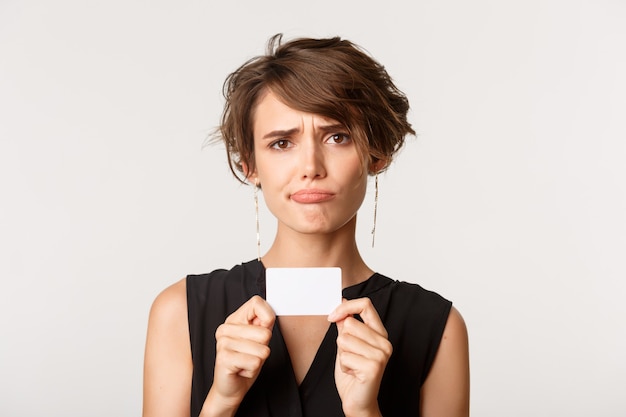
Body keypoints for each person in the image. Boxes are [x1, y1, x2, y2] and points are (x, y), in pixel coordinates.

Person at [143, 34, 470, 417]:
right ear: (249, 165)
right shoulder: (178, 311)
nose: (311, 167)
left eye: (337, 137)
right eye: (282, 143)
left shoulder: (437, 326)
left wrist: (366, 411)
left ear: (376, 154)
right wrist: (221, 401)